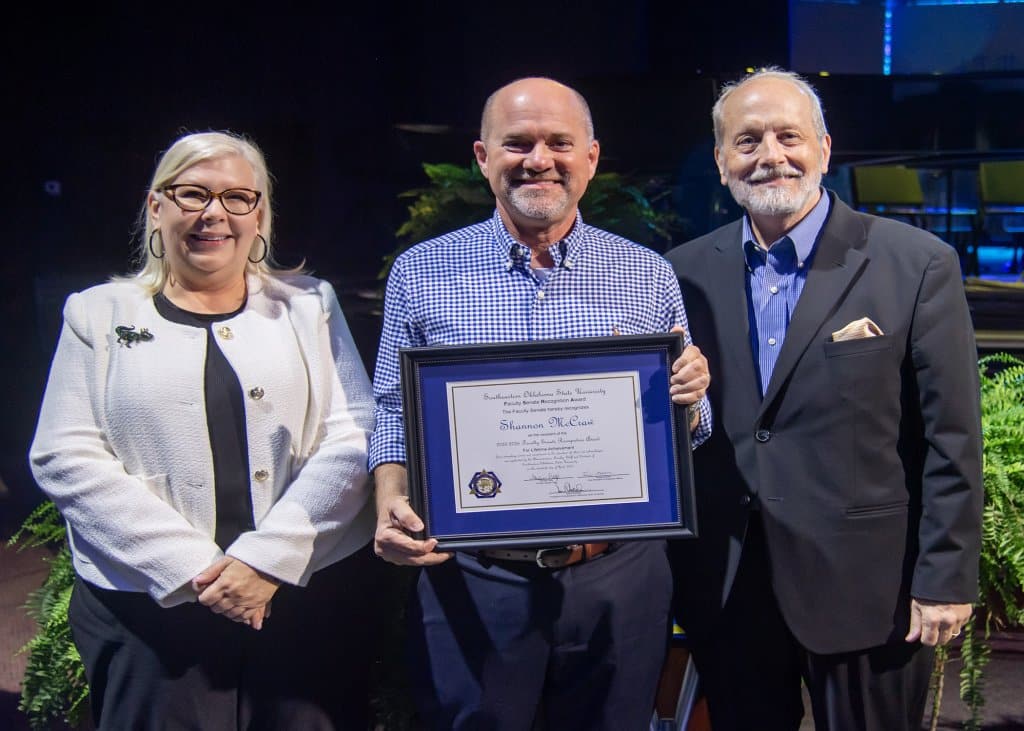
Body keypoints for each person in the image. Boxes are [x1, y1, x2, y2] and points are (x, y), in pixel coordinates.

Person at [370, 77, 711, 730]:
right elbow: (393, 410)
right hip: (476, 577)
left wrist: (690, 395)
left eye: (559, 142)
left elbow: (692, 432)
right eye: (517, 143)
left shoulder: (646, 272)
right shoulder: (423, 271)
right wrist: (390, 497)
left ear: (591, 157)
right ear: (482, 157)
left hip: (619, 575)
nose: (539, 159)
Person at [29, 131, 383, 730]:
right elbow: (64, 456)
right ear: (156, 207)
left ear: (259, 216)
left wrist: (265, 561)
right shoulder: (97, 313)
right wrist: (198, 570)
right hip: (149, 612)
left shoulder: (310, 305)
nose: (214, 213)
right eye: (192, 194)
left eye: (237, 198)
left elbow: (353, 434)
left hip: (303, 597)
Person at [665, 68, 983, 730]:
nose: (770, 155)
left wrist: (946, 576)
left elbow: (952, 436)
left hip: (869, 588)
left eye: (789, 136)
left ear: (824, 149)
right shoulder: (681, 272)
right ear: (721, 161)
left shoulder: (916, 263)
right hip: (731, 584)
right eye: (747, 140)